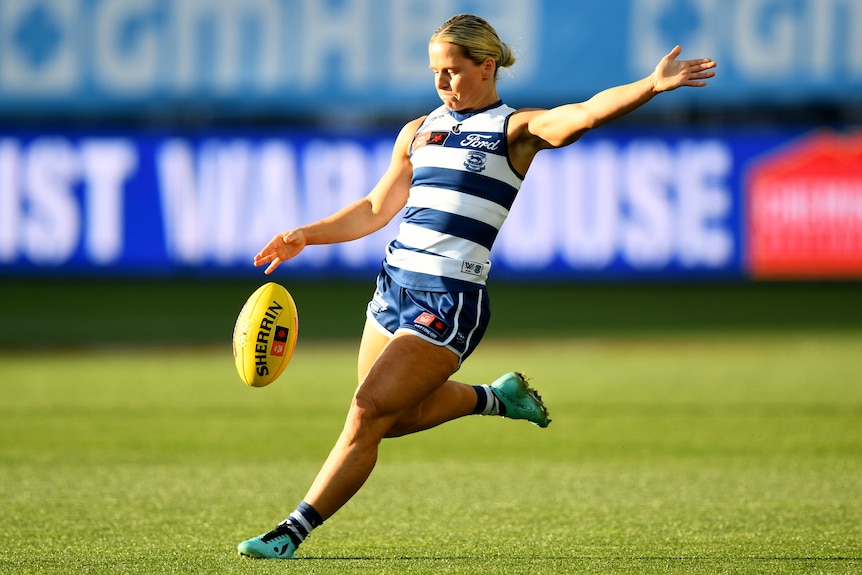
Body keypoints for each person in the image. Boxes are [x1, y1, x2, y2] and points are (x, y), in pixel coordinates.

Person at [237, 13, 716, 559]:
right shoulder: (418, 132)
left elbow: (580, 116)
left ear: (487, 67)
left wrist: (651, 86)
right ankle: (496, 398)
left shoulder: (514, 131)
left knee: (367, 411)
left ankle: (290, 532)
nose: (442, 83)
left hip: (448, 300)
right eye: (435, 72)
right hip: (392, 290)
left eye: (453, 71)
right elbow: (374, 208)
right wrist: (306, 234)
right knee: (391, 422)